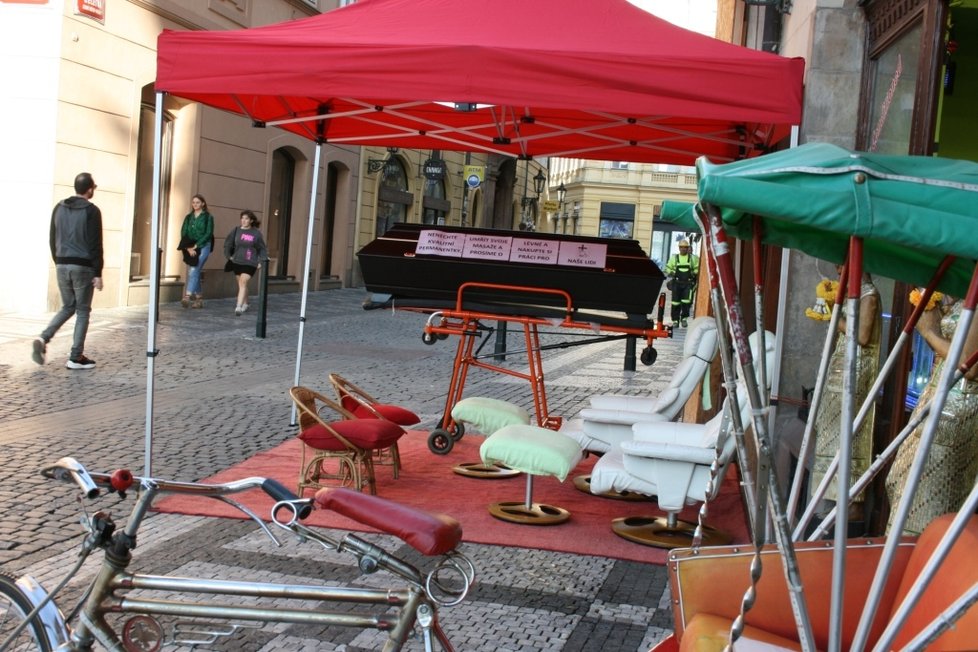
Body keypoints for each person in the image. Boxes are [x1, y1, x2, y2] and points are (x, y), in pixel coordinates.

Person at [885, 294, 978, 536]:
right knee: (898, 481)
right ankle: (899, 558)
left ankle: (921, 559)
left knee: (925, 493)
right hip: (935, 396)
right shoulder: (963, 293)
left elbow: (969, 366)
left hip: (957, 406)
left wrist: (929, 333)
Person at [808, 269, 881, 522]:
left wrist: (831, 316)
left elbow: (861, 336)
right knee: (831, 432)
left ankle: (852, 501)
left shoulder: (869, 295)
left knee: (848, 432)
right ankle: (833, 494)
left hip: (856, 370)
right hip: (841, 364)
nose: (839, 270)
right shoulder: (854, 293)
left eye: (843, 265)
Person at [32, 172, 104, 370]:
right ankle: (75, 357)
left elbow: (52, 237)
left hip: (62, 264)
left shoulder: (59, 207)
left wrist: (58, 261)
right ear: (90, 189)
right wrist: (97, 273)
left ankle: (43, 337)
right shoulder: (92, 211)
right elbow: (95, 243)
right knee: (82, 311)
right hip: (83, 267)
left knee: (67, 306)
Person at [224, 209, 268, 316]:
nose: (243, 220)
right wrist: (228, 256)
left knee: (243, 282)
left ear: (251, 220)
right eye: (242, 218)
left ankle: (238, 307)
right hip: (237, 261)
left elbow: (262, 248)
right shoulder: (236, 230)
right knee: (241, 284)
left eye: (246, 218)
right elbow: (228, 243)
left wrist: (262, 260)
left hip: (250, 262)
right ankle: (246, 303)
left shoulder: (256, 234)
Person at [179, 194, 214, 309]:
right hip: (190, 246)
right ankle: (199, 299)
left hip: (204, 246)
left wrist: (197, 245)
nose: (195, 204)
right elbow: (184, 233)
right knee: (195, 271)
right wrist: (188, 248)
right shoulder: (188, 217)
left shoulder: (208, 217)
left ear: (203, 204)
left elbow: (208, 233)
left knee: (194, 269)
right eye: (193, 202)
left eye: (197, 202)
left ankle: (187, 296)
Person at [664, 239, 699, 327]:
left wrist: (694, 272)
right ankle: (675, 320)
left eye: (685, 247)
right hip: (677, 283)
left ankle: (684, 319)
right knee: (675, 303)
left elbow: (697, 268)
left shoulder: (693, 258)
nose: (683, 249)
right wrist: (671, 272)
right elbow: (667, 268)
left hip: (688, 284)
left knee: (686, 302)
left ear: (688, 248)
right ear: (679, 248)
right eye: (681, 247)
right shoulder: (674, 258)